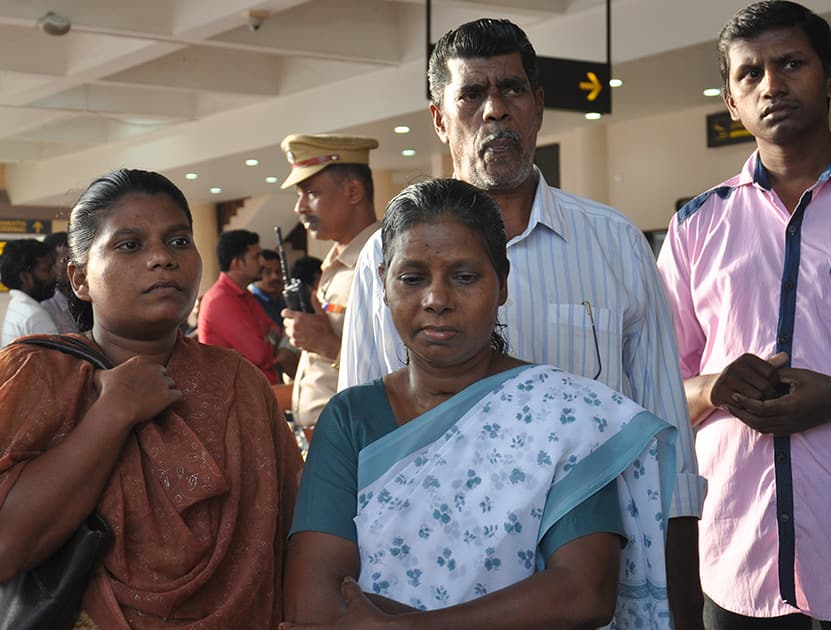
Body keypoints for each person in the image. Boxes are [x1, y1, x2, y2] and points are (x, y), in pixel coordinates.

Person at [337, 17, 706, 627]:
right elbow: (366, 445)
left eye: (511, 91)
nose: (495, 111)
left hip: (591, 580)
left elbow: (666, 442)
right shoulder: (387, 258)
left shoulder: (612, 242)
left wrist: (680, 608)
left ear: (538, 106)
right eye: (472, 95)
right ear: (439, 117)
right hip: (433, 584)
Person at [283, 178, 677, 629]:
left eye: (465, 277)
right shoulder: (352, 417)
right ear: (382, 286)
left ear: (502, 285)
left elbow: (583, 594)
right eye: (411, 278)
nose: (436, 300)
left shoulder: (564, 413)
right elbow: (313, 605)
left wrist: (402, 627)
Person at [0, 169, 302, 629]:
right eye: (129, 245)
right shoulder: (40, 374)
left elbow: (291, 529)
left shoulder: (236, 380)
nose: (162, 258)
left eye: (180, 241)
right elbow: (6, 546)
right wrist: (113, 413)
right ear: (80, 280)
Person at [656, 2, 831, 626]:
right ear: (732, 102)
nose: (772, 86)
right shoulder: (696, 226)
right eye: (749, 75)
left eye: (790, 64)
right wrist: (713, 386)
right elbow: (653, 387)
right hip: (738, 560)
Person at [279, 134, 381, 428]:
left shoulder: (381, 264)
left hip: (355, 440)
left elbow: (397, 371)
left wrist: (324, 344)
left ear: (353, 191)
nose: (300, 208)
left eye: (311, 193)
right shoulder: (338, 263)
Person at [198, 229, 284, 384]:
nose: (262, 262)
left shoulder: (244, 293)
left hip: (257, 391)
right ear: (236, 264)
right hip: (233, 399)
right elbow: (259, 354)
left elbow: (276, 330)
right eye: (256, 257)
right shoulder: (220, 300)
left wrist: (267, 340)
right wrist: (267, 340)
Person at [250, 248, 299, 379]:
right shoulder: (250, 301)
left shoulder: (282, 300)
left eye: (278, 272)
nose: (275, 277)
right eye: (268, 272)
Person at [0, 237, 58, 346]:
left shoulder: (18, 307)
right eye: (47, 270)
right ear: (25, 278)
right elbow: (60, 362)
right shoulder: (34, 316)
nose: (54, 274)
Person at [41, 231, 81, 333]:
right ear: (49, 264)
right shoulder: (45, 307)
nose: (75, 266)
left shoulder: (84, 298)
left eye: (77, 259)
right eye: (66, 259)